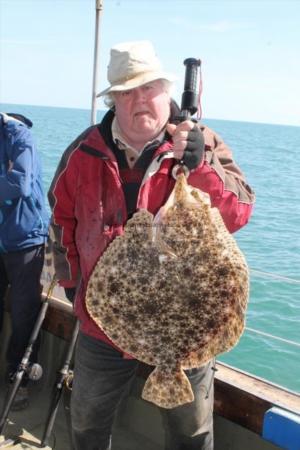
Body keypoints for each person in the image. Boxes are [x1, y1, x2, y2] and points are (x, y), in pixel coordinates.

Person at [48, 41, 255, 450]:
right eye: (127, 91)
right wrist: (77, 292)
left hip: (189, 331)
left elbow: (239, 212)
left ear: (167, 91)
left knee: (191, 433)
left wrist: (201, 167)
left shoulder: (202, 142)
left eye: (148, 88)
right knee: (87, 424)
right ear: (113, 100)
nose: (139, 99)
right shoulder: (82, 152)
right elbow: (61, 225)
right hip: (103, 328)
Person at [0, 112, 49, 410]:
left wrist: (9, 177)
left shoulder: (19, 135)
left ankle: (19, 380)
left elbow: (20, 184)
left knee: (23, 315)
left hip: (26, 241)